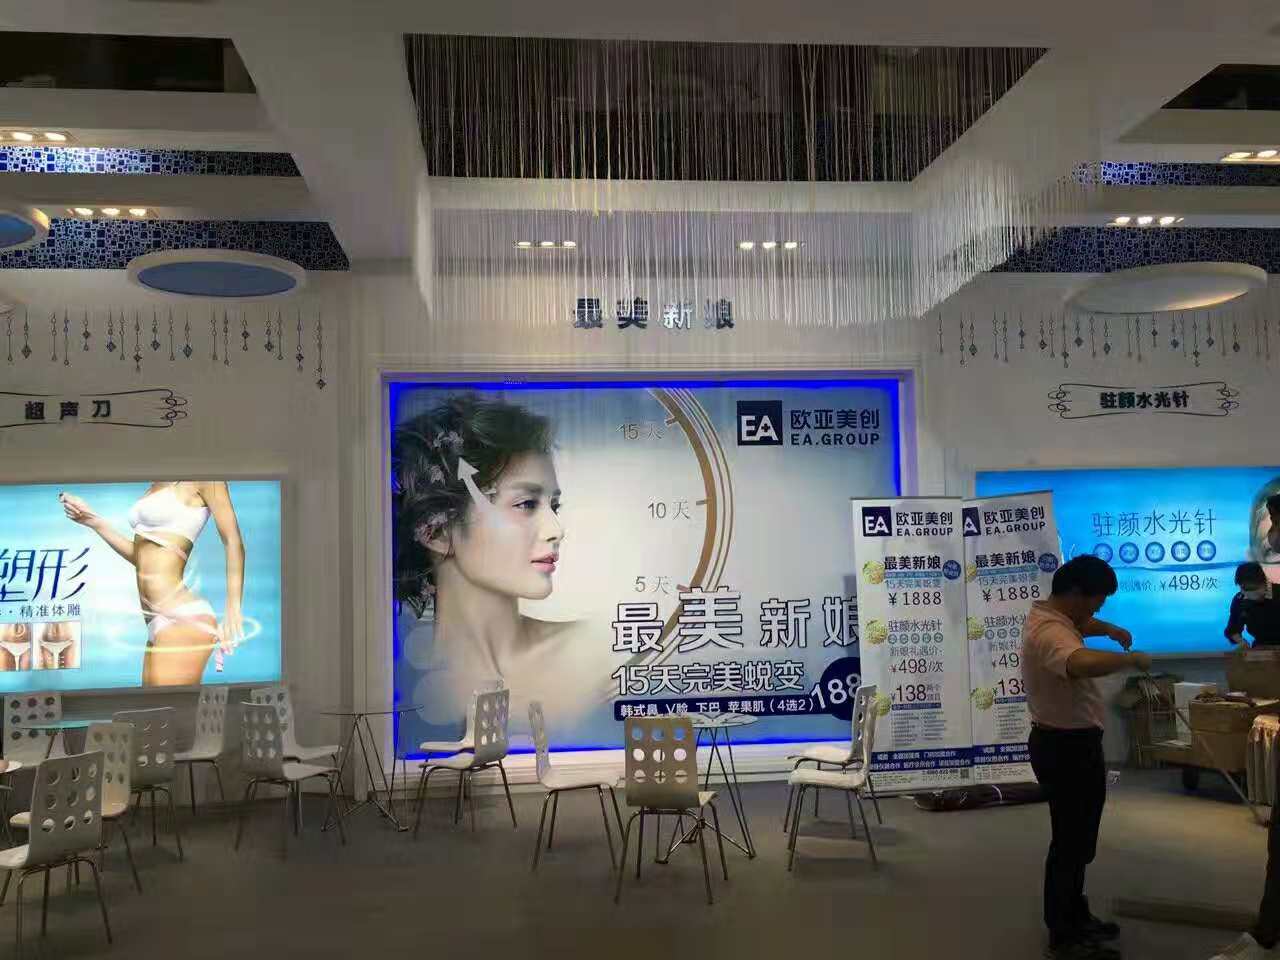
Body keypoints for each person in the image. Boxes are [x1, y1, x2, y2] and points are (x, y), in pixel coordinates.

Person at [392, 393, 570, 732]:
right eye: (526, 504)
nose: (556, 530)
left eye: (554, 506)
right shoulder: (407, 678)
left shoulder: (587, 656)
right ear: (436, 531)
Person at [1022, 554, 1152, 960]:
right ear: (1076, 594)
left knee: (1079, 841)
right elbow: (1078, 662)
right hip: (1065, 749)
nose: (1098, 610)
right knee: (1069, 843)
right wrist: (1128, 660)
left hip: (1071, 744)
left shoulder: (1058, 617)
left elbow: (1083, 627)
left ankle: (1076, 917)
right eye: (1098, 601)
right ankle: (1063, 937)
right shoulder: (1049, 632)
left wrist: (1109, 630)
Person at [59, 481, 245, 686]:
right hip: (155, 621)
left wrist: (233, 609)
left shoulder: (205, 479)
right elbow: (141, 557)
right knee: (150, 705)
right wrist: (93, 521)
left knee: (164, 705)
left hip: (183, 618)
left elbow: (233, 541)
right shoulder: (156, 483)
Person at [1226, 562, 1280, 649]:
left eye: (1255, 588)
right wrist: (1242, 642)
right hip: (1261, 646)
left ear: (1264, 582)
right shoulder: (1240, 600)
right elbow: (1232, 631)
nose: (1252, 594)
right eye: (1245, 589)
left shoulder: (1278, 592)